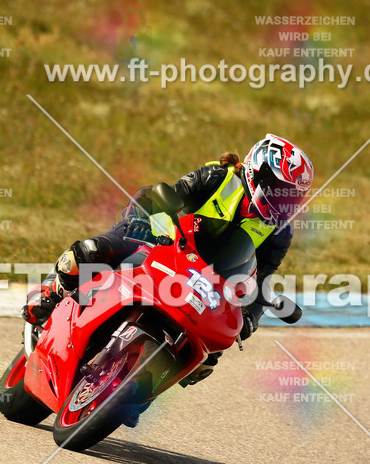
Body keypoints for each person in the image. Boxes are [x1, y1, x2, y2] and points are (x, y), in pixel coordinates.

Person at [22, 133, 314, 382]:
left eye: (292, 196)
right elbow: (163, 195)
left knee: (208, 358)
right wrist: (143, 218)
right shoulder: (218, 178)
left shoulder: (279, 232)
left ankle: (137, 390)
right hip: (160, 243)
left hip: (203, 284)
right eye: (280, 190)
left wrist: (251, 315)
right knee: (91, 251)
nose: (284, 200)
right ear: (257, 172)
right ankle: (52, 292)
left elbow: (262, 278)